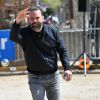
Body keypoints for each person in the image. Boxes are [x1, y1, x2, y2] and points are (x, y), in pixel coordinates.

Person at [10, 6, 72, 100]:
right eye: (31, 18)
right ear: (27, 19)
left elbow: (62, 50)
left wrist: (67, 68)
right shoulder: (24, 33)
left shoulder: (53, 31)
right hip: (35, 79)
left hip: (53, 78)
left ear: (42, 18)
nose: (35, 20)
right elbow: (13, 37)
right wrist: (17, 21)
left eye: (37, 18)